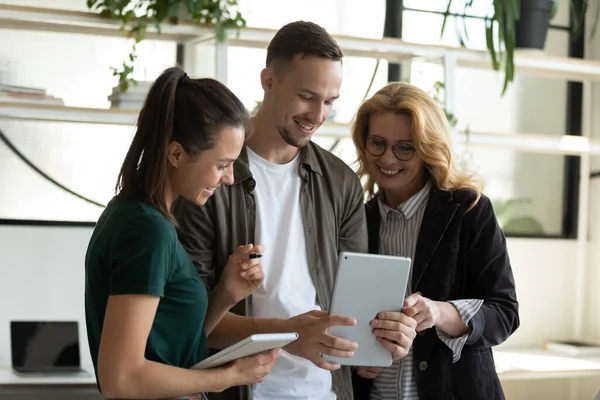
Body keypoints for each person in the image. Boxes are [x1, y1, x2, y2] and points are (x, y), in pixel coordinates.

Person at [172, 21, 417, 400]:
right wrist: (292, 334)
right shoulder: (208, 179)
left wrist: (380, 342)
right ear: (269, 81)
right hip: (237, 390)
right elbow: (194, 323)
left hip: (325, 391)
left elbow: (355, 309)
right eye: (307, 96)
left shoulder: (342, 184)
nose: (318, 114)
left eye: (330, 101)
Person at [84, 66, 280, 400]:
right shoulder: (147, 231)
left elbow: (167, 345)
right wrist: (225, 377)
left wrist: (225, 295)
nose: (230, 178)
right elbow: (122, 378)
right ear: (176, 154)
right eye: (222, 164)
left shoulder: (135, 216)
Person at [350, 82, 520, 399]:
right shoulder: (355, 219)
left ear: (428, 148)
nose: (388, 158)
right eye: (378, 143)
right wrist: (355, 360)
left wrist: (439, 313)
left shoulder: (469, 211)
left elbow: (504, 314)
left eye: (405, 147)